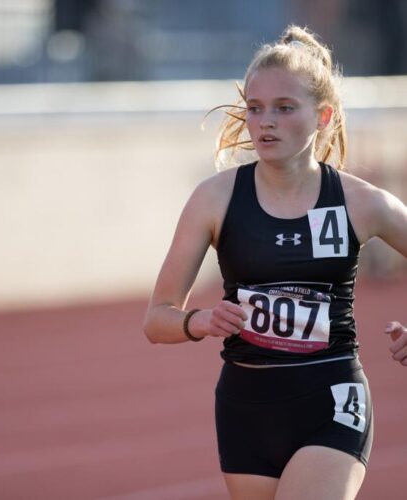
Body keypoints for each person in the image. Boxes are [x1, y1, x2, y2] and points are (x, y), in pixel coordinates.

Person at [143, 25, 407, 500]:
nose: (266, 122)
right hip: (246, 407)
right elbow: (157, 319)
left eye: (285, 108)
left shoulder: (363, 203)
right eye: (255, 108)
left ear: (323, 116)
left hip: (330, 399)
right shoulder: (214, 199)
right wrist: (199, 321)